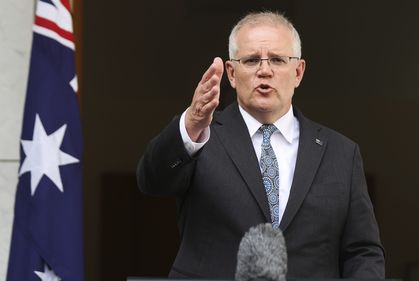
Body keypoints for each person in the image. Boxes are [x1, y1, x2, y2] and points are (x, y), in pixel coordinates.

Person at [137, 11, 385, 279]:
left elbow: (362, 253)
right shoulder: (200, 136)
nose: (264, 70)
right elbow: (152, 181)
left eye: (278, 60)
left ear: (298, 72)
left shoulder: (341, 154)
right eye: (252, 60)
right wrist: (193, 124)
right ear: (231, 73)